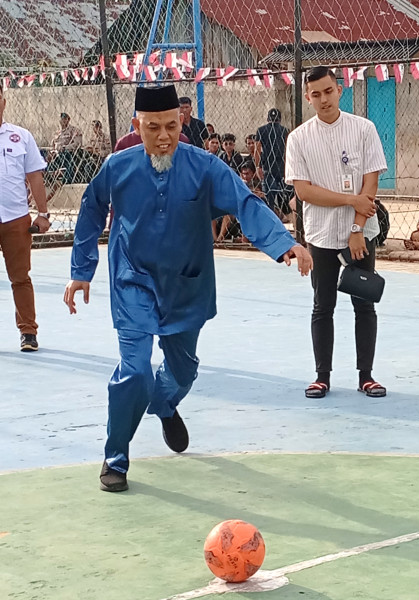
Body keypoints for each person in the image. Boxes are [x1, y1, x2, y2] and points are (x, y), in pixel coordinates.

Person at [63, 85, 312, 493]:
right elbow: (91, 211)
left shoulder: (206, 167)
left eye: (172, 127)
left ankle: (163, 404)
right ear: (136, 126)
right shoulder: (117, 167)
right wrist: (81, 270)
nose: (164, 137)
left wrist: (283, 244)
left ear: (183, 125)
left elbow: (245, 202)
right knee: (136, 369)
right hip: (133, 281)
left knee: (182, 371)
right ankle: (116, 457)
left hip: (187, 283)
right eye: (153, 127)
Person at [285, 66, 388, 399]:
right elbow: (303, 191)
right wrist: (348, 199)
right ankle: (322, 376)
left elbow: (370, 183)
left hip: (360, 234)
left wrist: (357, 226)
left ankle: (367, 376)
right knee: (322, 306)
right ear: (307, 97)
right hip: (321, 236)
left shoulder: (363, 129)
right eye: (316, 94)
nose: (323, 99)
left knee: (364, 304)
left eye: (328, 91)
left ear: (339, 90)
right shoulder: (298, 138)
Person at [0, 84, 52, 351]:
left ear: (4, 101)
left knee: (20, 277)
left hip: (16, 219)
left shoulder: (20, 137)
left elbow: (34, 176)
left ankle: (28, 332)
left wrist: (43, 214)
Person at [256, 108, 291, 216]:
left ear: (268, 118)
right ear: (279, 119)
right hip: (281, 165)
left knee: (269, 196)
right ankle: (284, 215)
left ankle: (271, 217)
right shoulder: (284, 130)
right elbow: (287, 150)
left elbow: (257, 150)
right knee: (282, 194)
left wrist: (258, 166)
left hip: (267, 165)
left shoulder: (261, 130)